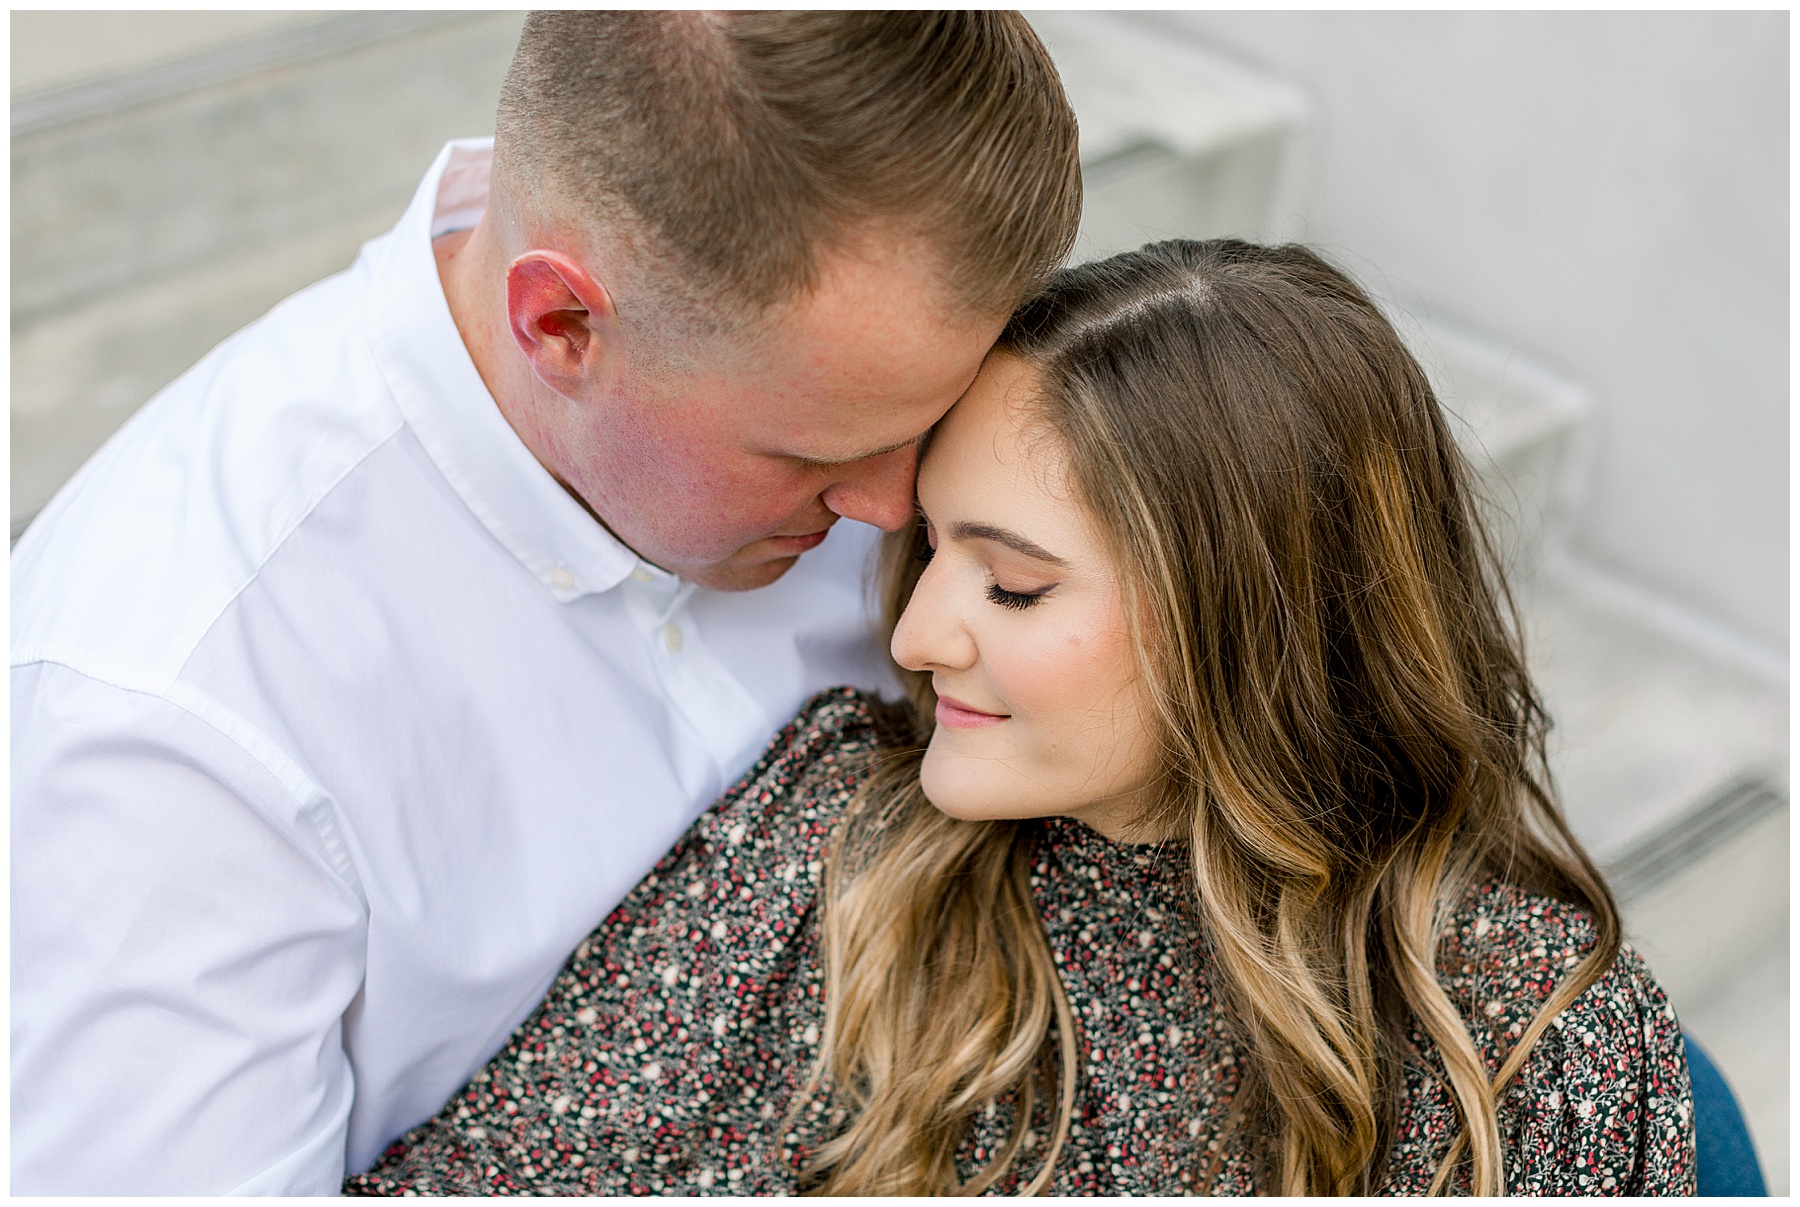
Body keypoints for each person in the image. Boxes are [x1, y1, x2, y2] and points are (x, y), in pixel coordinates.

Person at [343, 241, 1695, 1197]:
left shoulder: (1530, 1033)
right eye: (930, 547)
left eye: (1017, 581)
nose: (918, 636)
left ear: (1253, 624)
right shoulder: (836, 842)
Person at [9, 12, 1080, 1194]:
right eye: (811, 453)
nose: (894, 508)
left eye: (922, 425)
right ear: (561, 325)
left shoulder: (830, 348)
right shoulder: (180, 728)